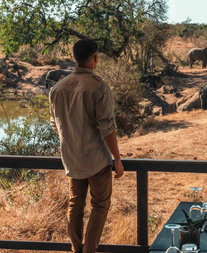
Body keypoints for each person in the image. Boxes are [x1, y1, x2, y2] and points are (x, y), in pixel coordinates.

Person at [49, 39, 124, 253]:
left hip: (72, 159)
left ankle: (76, 249)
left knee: (75, 205)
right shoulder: (99, 87)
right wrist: (117, 159)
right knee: (100, 206)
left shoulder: (57, 89)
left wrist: (73, 138)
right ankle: (89, 251)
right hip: (97, 161)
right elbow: (107, 128)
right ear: (95, 58)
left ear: (75, 58)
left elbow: (56, 124)